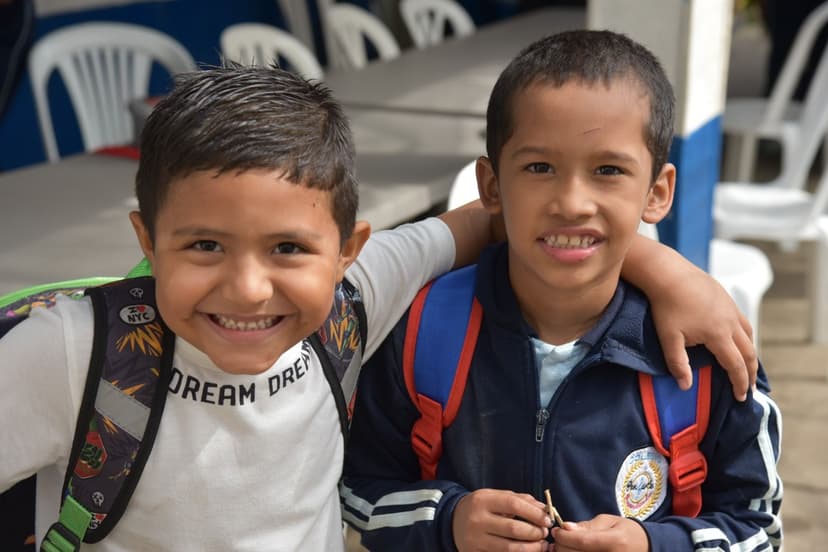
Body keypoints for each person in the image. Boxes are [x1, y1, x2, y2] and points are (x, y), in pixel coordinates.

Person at [0, 63, 757, 551]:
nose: (249, 288)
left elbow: (522, 217)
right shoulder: (74, 350)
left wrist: (663, 268)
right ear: (146, 236)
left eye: (289, 250)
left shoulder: (355, 297)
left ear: (350, 247)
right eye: (203, 246)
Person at [341, 30, 782, 552]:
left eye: (608, 170)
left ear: (657, 192)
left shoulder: (705, 357)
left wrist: (652, 544)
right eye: (539, 167)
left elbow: (758, 532)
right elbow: (355, 491)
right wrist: (448, 520)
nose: (572, 202)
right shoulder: (420, 332)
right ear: (492, 187)